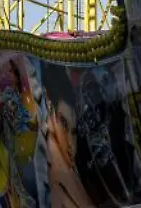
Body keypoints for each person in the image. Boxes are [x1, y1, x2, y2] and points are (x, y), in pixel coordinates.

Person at [43, 65, 94, 208]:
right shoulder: (55, 186)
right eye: (64, 125)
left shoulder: (73, 174)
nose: (71, 143)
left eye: (74, 132)